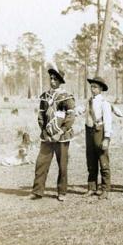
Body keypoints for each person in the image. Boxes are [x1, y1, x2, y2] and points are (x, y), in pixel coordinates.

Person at [30, 68, 75, 201]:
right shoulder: (44, 96)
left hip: (61, 137)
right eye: (51, 78)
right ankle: (37, 191)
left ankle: (62, 192)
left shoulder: (66, 97)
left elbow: (70, 117)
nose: (52, 81)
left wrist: (59, 133)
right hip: (47, 137)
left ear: (60, 81)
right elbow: (41, 116)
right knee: (41, 163)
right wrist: (45, 132)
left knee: (62, 165)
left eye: (55, 79)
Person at [84, 76, 112, 199]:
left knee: (103, 160)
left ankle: (105, 189)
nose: (92, 89)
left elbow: (108, 121)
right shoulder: (88, 101)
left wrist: (106, 138)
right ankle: (92, 188)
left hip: (99, 132)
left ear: (100, 89)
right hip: (89, 132)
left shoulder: (104, 103)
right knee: (91, 160)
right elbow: (81, 111)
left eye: (95, 87)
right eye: (91, 86)